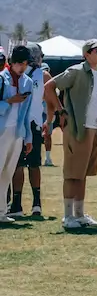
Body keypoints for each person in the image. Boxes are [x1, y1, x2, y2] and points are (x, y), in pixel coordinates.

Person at [44, 39, 97, 232]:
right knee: (72, 173)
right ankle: (68, 216)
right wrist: (60, 110)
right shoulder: (76, 71)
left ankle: (80, 214)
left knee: (83, 174)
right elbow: (49, 86)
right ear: (86, 54)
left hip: (94, 128)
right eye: (96, 51)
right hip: (77, 128)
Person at [10, 43, 47, 220]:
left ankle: (17, 204)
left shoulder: (17, 75)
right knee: (33, 164)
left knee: (18, 165)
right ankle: (36, 203)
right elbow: (49, 95)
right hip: (34, 123)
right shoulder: (43, 74)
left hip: (18, 122)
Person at [0, 46, 34, 228]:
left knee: (8, 172)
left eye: (25, 64)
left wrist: (28, 137)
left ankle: (1, 212)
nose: (23, 67)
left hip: (17, 132)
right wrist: (8, 102)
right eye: (20, 63)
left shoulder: (27, 82)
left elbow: (27, 112)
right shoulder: (1, 78)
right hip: (2, 130)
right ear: (12, 62)